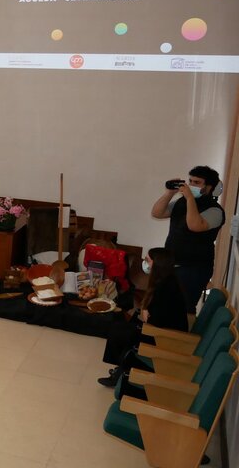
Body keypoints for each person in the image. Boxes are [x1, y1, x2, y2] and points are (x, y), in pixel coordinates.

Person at [97, 248, 188, 388]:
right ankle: (120, 368)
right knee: (120, 326)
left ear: (157, 264)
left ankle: (121, 372)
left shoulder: (166, 287)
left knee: (120, 332)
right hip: (161, 330)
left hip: (164, 336)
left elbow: (156, 321)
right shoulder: (167, 280)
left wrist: (145, 313)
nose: (145, 263)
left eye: (148, 260)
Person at [151, 166, 224, 313]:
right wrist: (169, 193)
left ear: (208, 187)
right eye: (190, 181)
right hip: (172, 263)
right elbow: (157, 213)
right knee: (165, 305)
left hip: (194, 268)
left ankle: (181, 335)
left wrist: (190, 198)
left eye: (196, 182)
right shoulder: (182, 202)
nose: (191, 185)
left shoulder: (215, 210)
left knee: (182, 307)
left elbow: (194, 225)